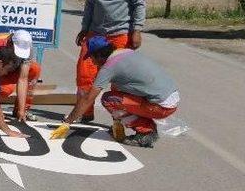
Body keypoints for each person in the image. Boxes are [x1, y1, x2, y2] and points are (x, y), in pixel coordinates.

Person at [51, 36, 180, 148]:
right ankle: (143, 125)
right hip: (170, 97)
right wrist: (117, 122)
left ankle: (146, 132)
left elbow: (88, 99)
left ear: (99, 55)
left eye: (92, 58)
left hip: (161, 106)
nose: (92, 62)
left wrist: (68, 122)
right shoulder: (125, 52)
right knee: (118, 94)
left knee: (109, 100)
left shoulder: (109, 67)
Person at [75, 0, 145, 122]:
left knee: (119, 78)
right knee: (85, 73)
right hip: (95, 32)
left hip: (121, 33)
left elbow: (138, 3)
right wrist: (84, 28)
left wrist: (137, 30)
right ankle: (85, 112)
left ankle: (120, 117)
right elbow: (90, 4)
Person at [0, 30, 41, 122]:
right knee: (5, 90)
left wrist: (21, 109)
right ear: (10, 42)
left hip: (9, 69)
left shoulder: (27, 47)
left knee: (35, 68)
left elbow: (23, 79)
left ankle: (20, 111)